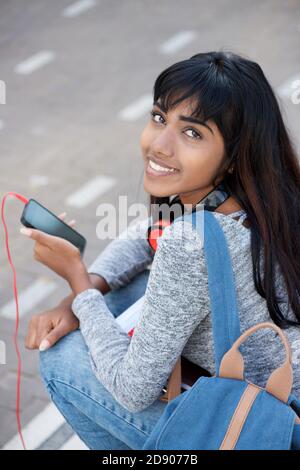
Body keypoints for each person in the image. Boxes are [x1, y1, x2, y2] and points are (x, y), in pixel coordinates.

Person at [23, 50, 300, 450]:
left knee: (60, 359)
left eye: (192, 133)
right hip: (276, 379)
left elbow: (132, 391)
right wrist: (90, 288)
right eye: (159, 118)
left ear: (234, 156)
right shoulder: (259, 193)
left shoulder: (189, 245)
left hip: (265, 429)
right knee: (121, 292)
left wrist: (78, 283)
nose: (160, 145)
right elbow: (145, 234)